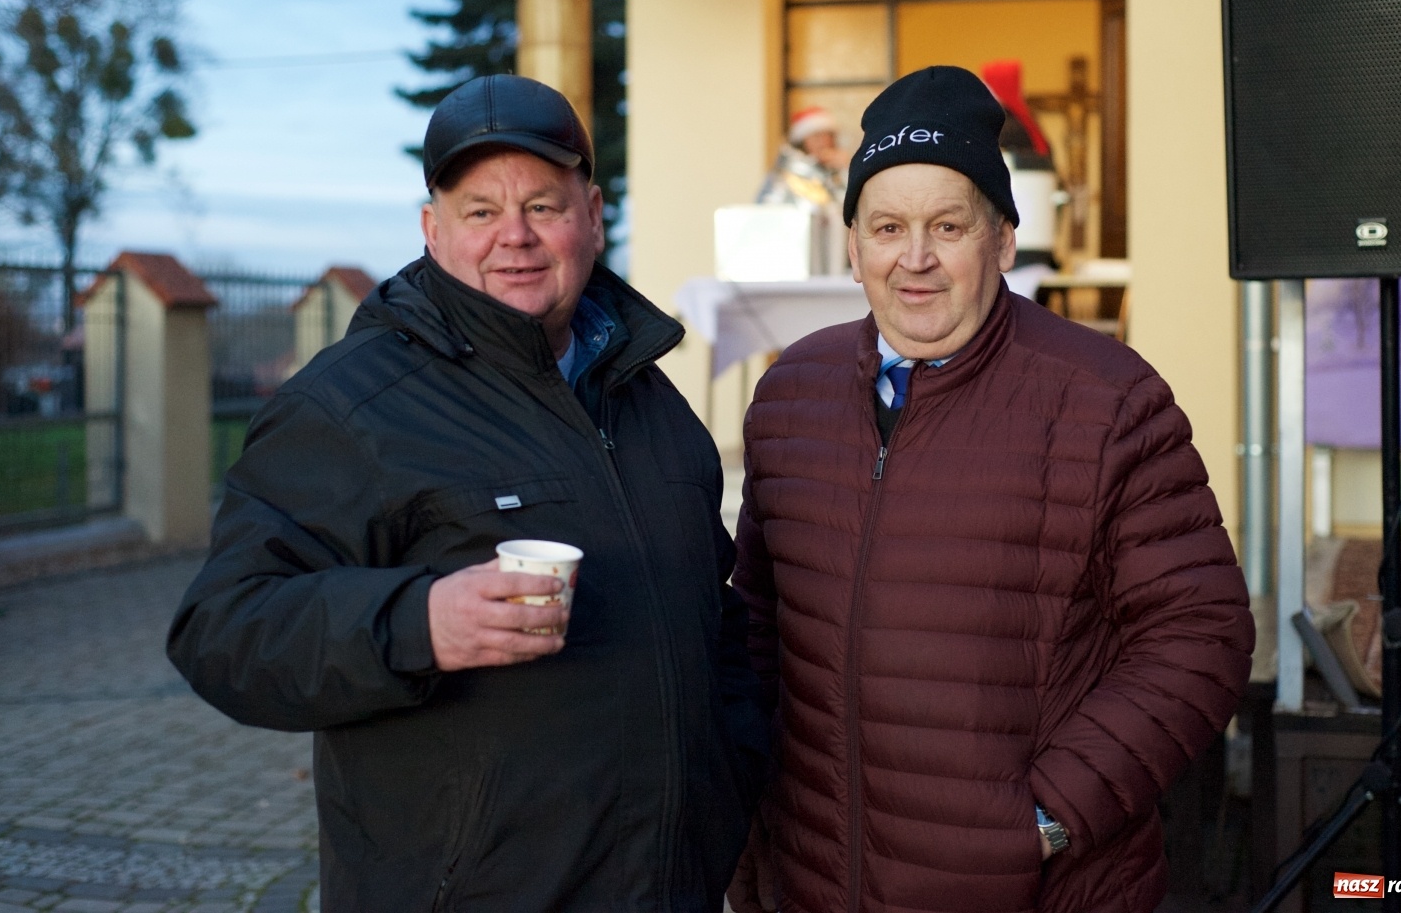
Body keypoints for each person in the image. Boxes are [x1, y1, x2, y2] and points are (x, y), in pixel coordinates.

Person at [168, 74, 768, 913]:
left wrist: (732, 783)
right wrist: (419, 622)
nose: (514, 236)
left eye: (543, 206)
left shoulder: (648, 398)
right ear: (432, 229)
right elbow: (222, 631)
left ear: (593, 214)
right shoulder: (350, 406)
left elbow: (716, 617)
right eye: (480, 210)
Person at [727, 65, 1255, 913]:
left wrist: (1047, 820)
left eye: (949, 225)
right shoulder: (794, 392)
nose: (916, 259)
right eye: (888, 227)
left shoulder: (1107, 399)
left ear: (1003, 241)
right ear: (853, 245)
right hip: (816, 882)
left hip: (1035, 891)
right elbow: (758, 624)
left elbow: (1201, 634)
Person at [756, 106, 849, 210]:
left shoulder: (836, 172)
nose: (825, 142)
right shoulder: (783, 175)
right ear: (801, 142)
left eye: (829, 136)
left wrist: (847, 171)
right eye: (817, 136)